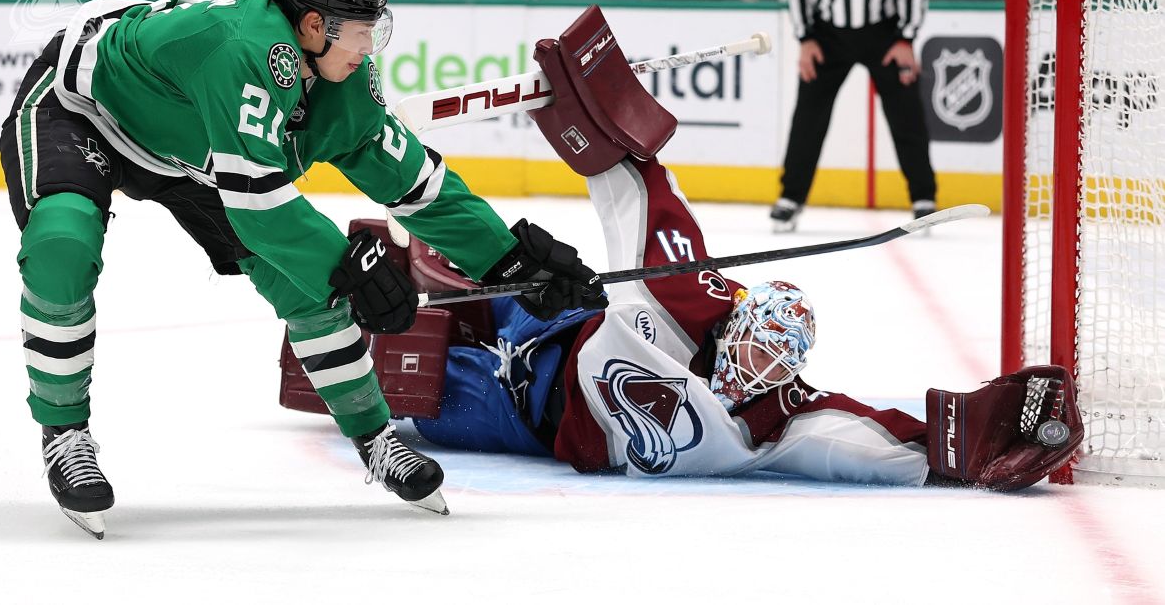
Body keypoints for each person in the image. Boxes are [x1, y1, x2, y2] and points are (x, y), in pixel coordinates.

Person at [0, 0, 605, 538]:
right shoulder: (243, 50)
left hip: (197, 149)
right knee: (62, 246)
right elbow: (260, 207)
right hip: (82, 109)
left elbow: (413, 183)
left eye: (376, 30)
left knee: (309, 292)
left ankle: (375, 438)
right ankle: (64, 434)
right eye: (361, 32)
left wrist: (508, 259)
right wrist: (352, 268)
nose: (370, 47)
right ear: (314, 25)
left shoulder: (343, 76)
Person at [378, 151, 1082, 488]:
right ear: (739, 324)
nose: (756, 370)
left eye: (776, 365)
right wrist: (607, 136)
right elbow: (656, 219)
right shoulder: (698, 300)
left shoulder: (780, 415)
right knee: (452, 275)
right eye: (754, 349)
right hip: (565, 327)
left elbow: (864, 431)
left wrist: (966, 436)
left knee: (410, 386)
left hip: (527, 415)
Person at [772, 0, 936, 232]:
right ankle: (790, 197)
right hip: (826, 36)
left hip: (884, 34)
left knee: (906, 114)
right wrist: (806, 38)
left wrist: (905, 38)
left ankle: (923, 197)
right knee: (808, 117)